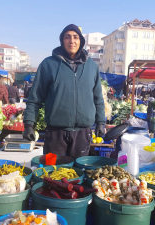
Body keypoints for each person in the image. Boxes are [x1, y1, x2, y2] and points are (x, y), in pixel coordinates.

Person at [23, 24, 105, 159]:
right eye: (67, 37)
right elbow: (35, 98)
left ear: (81, 42)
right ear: (62, 41)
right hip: (56, 133)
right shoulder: (48, 65)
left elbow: (98, 98)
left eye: (75, 37)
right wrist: (29, 124)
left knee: (78, 173)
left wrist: (101, 122)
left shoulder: (91, 66)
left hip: (82, 133)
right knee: (53, 173)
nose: (71, 41)